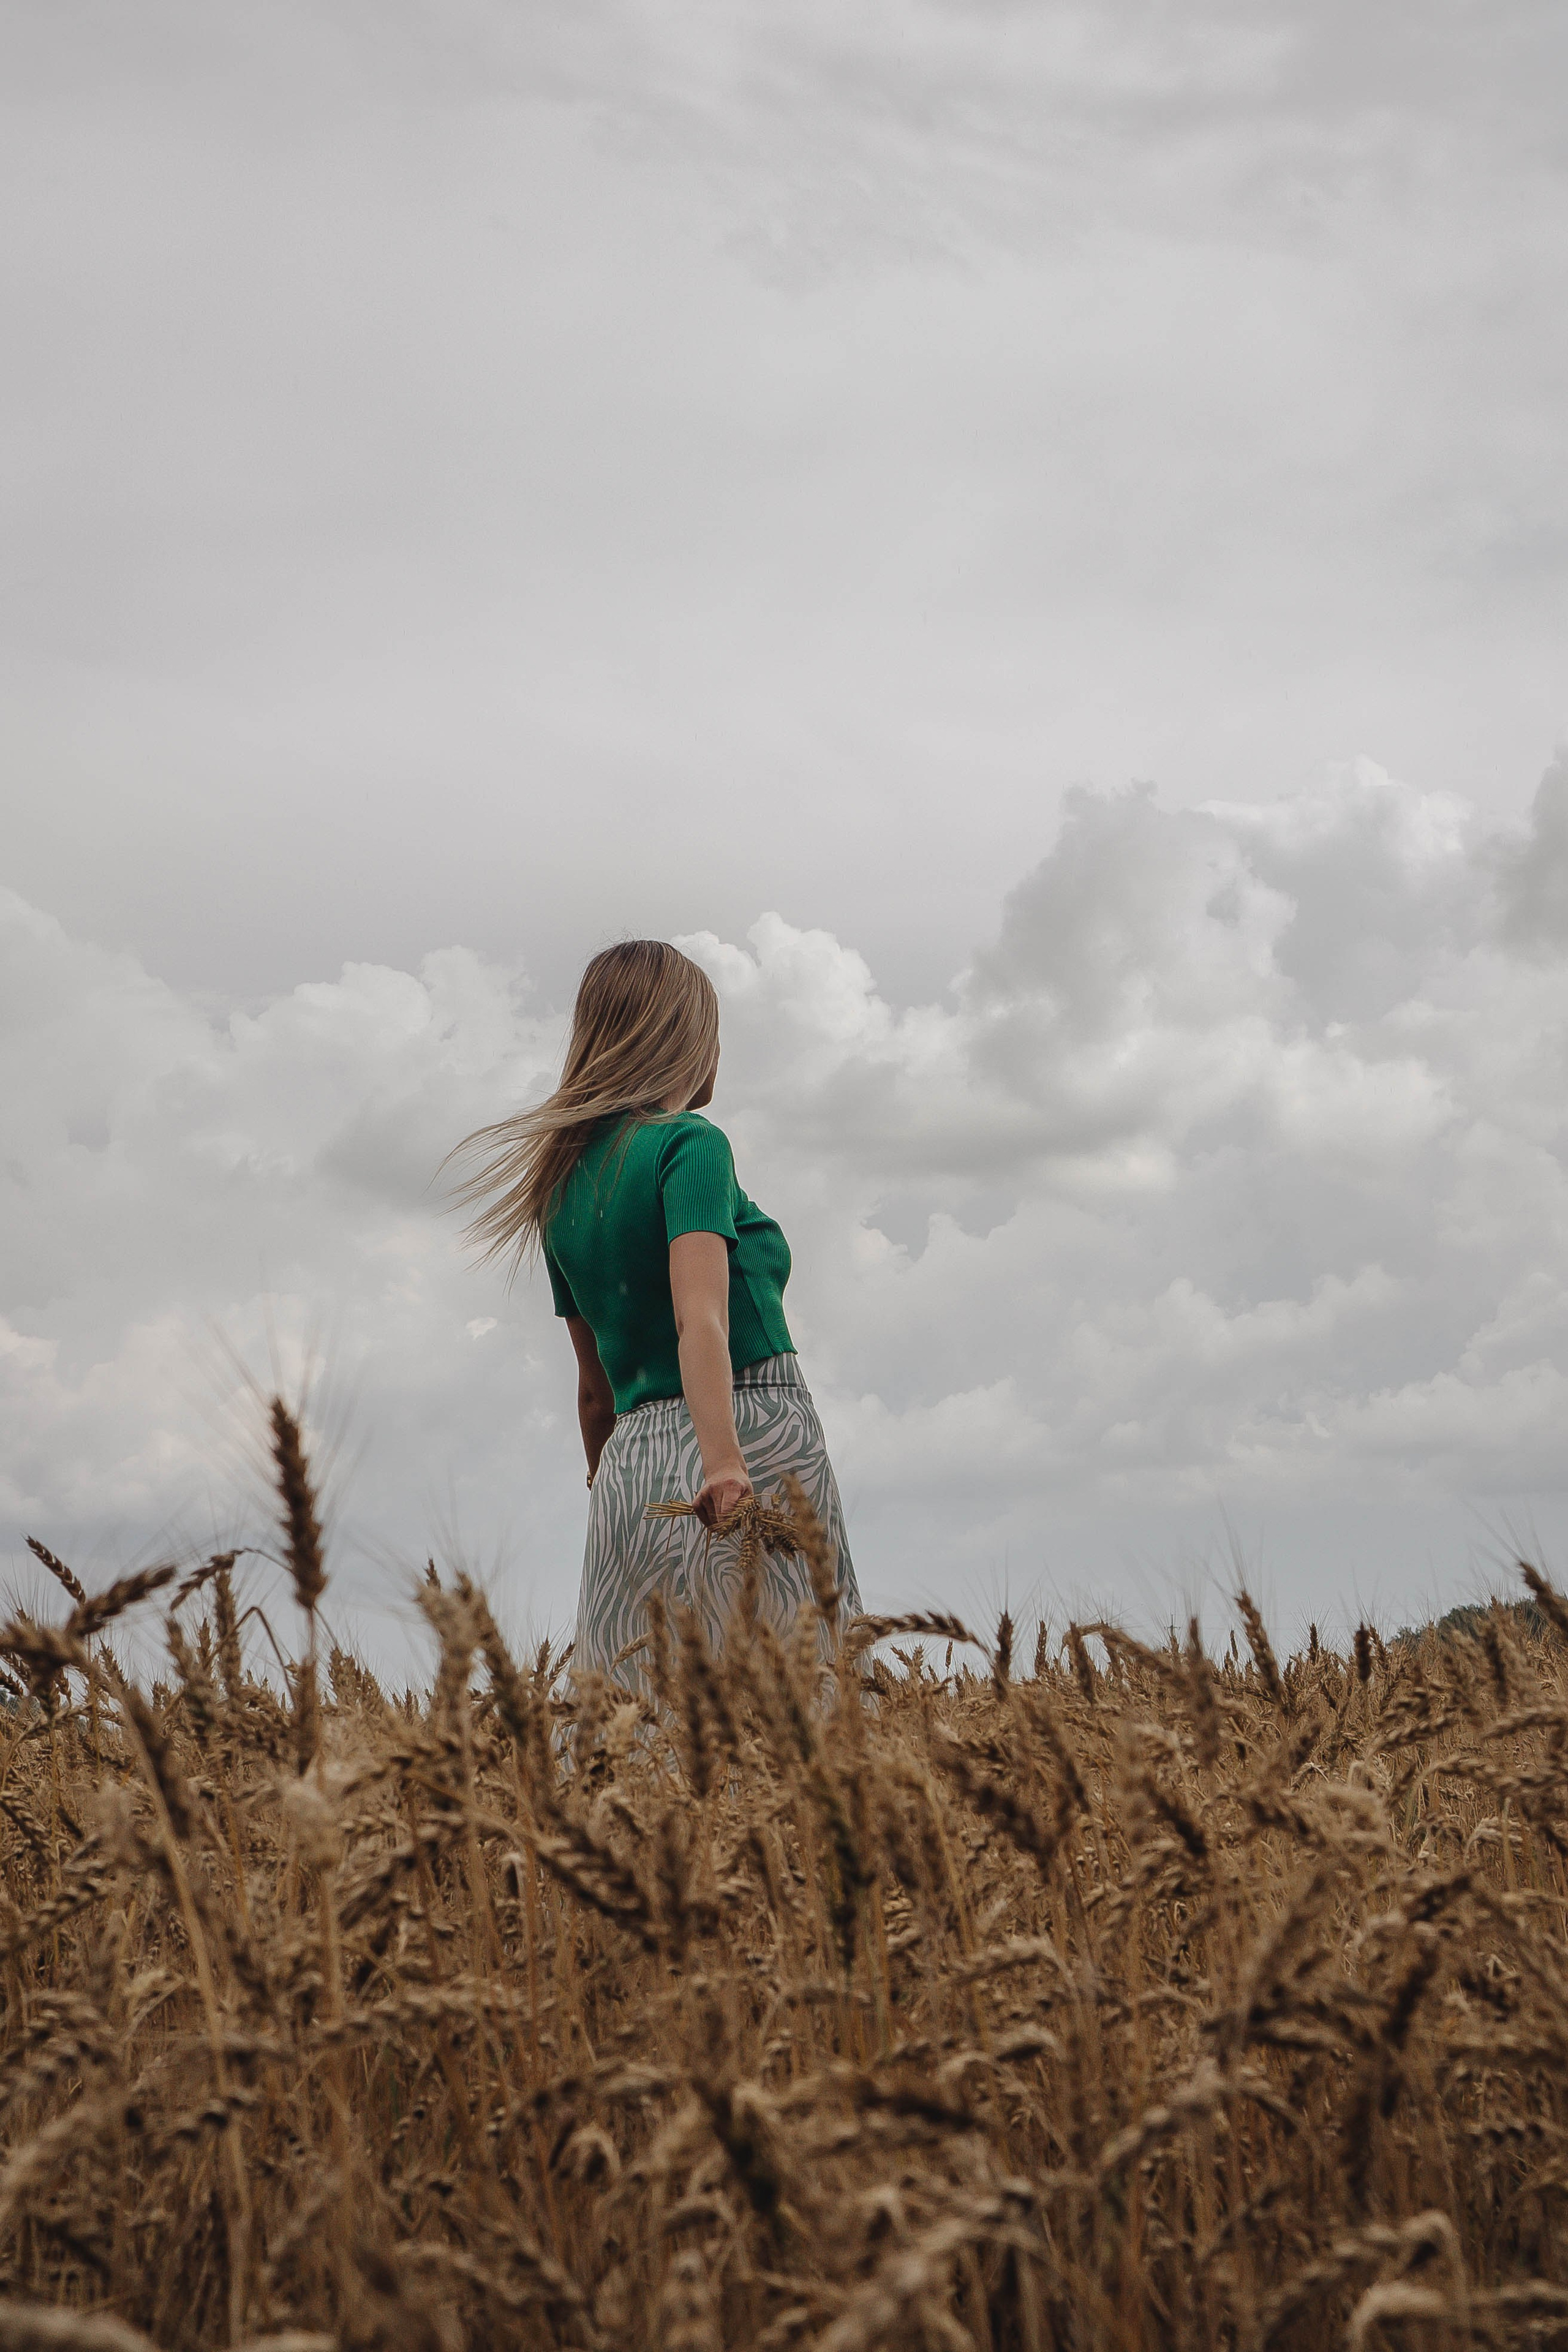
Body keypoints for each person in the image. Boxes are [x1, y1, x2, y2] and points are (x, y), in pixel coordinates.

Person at [450, 938, 859, 1683]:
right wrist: (723, 1459)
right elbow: (699, 1319)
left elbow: (593, 1390)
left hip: (629, 1467)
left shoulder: (558, 1186)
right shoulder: (690, 1146)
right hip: (749, 1431)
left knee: (637, 1711)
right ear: (686, 1039)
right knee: (801, 1696)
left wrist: (610, 1486)